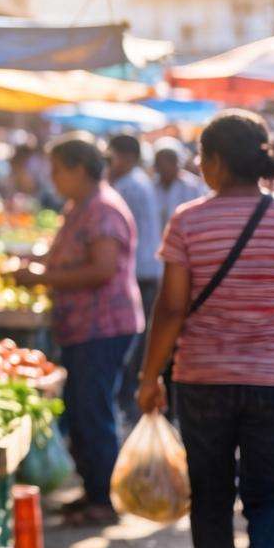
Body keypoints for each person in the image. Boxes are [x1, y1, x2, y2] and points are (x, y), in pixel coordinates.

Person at [138, 110, 274, 548]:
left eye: (203, 156)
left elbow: (171, 307)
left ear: (218, 162)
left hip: (203, 379)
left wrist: (149, 376)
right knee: (273, 494)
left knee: (211, 495)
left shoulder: (189, 221)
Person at [11, 134, 143, 527]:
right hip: (83, 326)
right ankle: (92, 490)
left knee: (94, 411)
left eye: (57, 170)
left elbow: (102, 269)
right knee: (83, 409)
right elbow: (69, 255)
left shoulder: (103, 209)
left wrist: (41, 277)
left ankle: (103, 500)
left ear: (80, 169)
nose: (52, 178)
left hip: (103, 326)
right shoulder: (80, 206)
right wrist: (35, 263)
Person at [106, 133, 163, 426]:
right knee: (137, 346)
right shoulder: (139, 181)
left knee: (134, 349)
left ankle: (129, 404)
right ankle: (129, 403)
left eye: (112, 156)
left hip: (140, 271)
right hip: (146, 269)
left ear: (125, 157)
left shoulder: (128, 186)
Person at [153, 140, 209, 228]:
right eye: (160, 161)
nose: (165, 165)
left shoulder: (192, 185)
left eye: (169, 160)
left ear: (177, 162)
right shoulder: (152, 186)